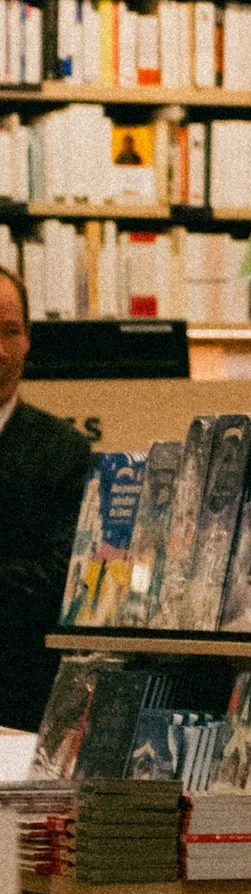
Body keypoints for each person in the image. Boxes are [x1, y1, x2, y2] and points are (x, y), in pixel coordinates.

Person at [0, 270, 91, 732]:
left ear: (29, 340)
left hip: (21, 692)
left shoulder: (64, 450)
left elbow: (63, 572)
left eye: (10, 332)